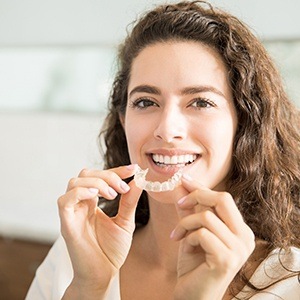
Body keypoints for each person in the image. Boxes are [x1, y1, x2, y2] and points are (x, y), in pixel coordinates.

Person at [26, 1, 300, 299]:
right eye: (145, 102)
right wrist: (89, 287)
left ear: (244, 123)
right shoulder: (74, 257)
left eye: (201, 102)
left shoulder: (289, 282)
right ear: (123, 119)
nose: (167, 130)